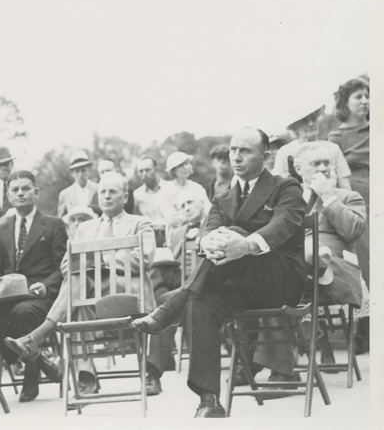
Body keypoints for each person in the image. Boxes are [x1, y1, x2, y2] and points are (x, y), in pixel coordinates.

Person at [132, 128, 306, 418]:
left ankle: (168, 308)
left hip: (281, 281)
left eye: (245, 151)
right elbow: (207, 231)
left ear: (265, 156)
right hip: (240, 286)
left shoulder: (285, 187)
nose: (235, 156)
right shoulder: (223, 198)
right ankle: (209, 399)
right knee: (199, 303)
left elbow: (283, 225)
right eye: (233, 149)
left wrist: (246, 245)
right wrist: (207, 241)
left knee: (234, 233)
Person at [5, 172, 169, 397]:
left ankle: (38, 337)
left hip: (128, 293)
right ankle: (85, 375)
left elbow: (143, 258)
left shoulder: (140, 223)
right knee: (77, 291)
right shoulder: (85, 229)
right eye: (103, 192)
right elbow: (65, 266)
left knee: (78, 287)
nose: (107, 196)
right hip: (90, 294)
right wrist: (87, 265)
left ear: (125, 195)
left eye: (113, 191)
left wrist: (99, 260)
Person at [247, 141, 367, 381]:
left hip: (336, 269)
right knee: (259, 281)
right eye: (316, 163)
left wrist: (328, 197)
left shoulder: (348, 197)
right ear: (299, 169)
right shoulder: (287, 200)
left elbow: (354, 230)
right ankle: (260, 361)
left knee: (278, 276)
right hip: (295, 270)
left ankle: (260, 363)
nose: (322, 168)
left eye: (327, 163)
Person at [0, 170, 68, 402]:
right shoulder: (1, 230)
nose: (20, 193)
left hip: (41, 296)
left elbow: (63, 268)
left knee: (22, 313)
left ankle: (31, 375)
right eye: (15, 190)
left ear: (36, 193)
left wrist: (47, 285)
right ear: (8, 196)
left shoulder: (54, 225)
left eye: (25, 188)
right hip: (10, 296)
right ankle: (42, 361)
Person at [328, 77, 370, 352]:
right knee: (366, 265)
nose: (365, 100)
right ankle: (361, 333)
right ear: (345, 103)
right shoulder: (336, 138)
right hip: (356, 203)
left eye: (367, 95)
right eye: (358, 96)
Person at [272, 104, 351, 189]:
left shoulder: (332, 149)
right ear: (294, 126)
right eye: (304, 121)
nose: (311, 124)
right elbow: (278, 187)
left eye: (313, 119)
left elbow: (345, 187)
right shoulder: (285, 152)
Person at [133, 155, 177, 244]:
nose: (144, 174)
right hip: (150, 239)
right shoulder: (137, 195)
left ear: (155, 169)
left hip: (172, 236)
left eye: (148, 170)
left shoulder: (171, 188)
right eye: (141, 171)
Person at [57, 150, 99, 220]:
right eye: (77, 171)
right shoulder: (65, 194)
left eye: (83, 170)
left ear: (89, 170)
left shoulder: (98, 189)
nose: (80, 175)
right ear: (72, 173)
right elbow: (60, 219)